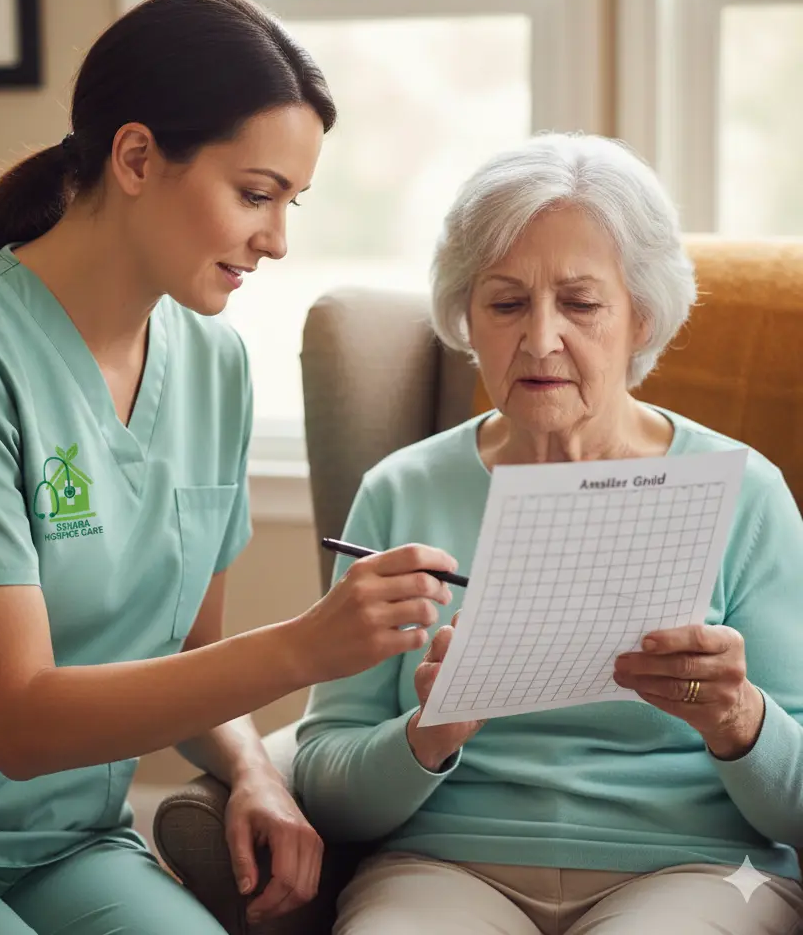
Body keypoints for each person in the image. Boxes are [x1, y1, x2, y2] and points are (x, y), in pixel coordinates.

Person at [0, 0, 457, 935]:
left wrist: (255, 771)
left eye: (291, 202)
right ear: (137, 157)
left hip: (70, 837)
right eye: (255, 194)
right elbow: (19, 722)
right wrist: (307, 644)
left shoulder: (215, 366)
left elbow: (184, 662)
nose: (277, 239)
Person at [293, 134, 803, 934]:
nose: (539, 339)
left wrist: (740, 718)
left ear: (641, 315)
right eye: (505, 303)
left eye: (581, 302)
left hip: (699, 868)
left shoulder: (746, 493)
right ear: (466, 315)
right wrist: (427, 736)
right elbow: (323, 784)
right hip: (443, 864)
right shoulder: (402, 491)